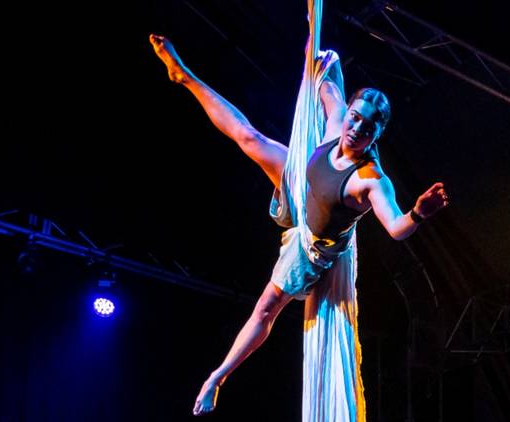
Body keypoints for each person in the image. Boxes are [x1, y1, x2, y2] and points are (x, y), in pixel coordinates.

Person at [149, 33, 449, 416]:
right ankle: (184, 75)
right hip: (301, 188)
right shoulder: (338, 119)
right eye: (356, 118)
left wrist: (419, 212)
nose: (356, 129)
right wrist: (314, 34)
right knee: (249, 136)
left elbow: (396, 227)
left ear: (377, 134)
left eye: (368, 127)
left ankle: (217, 377)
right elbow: (320, 75)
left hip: (311, 247)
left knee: (265, 309)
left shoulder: (371, 178)